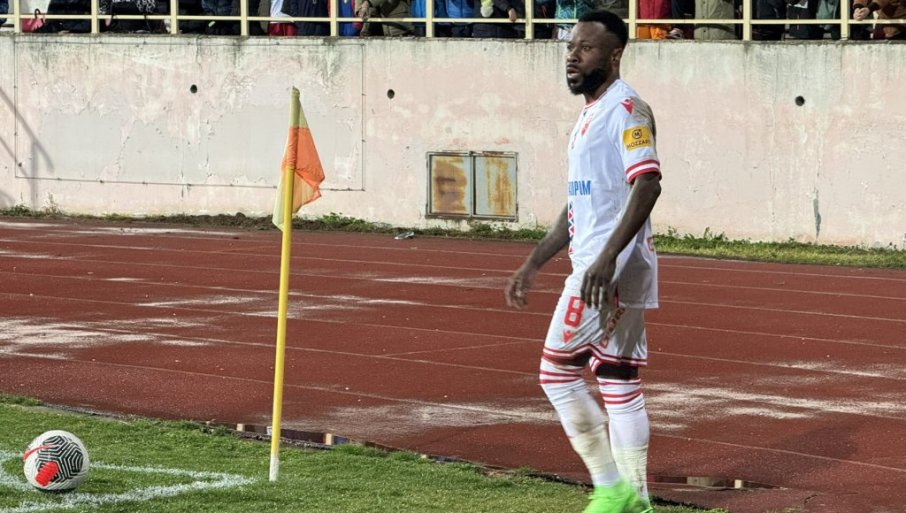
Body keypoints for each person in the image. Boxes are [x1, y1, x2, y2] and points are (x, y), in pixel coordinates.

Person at [504, 9, 661, 513]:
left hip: (603, 268)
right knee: (617, 377)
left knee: (557, 374)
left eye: (586, 48)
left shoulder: (627, 109)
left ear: (614, 56)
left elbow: (648, 183)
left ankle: (612, 488)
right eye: (571, 47)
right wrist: (535, 261)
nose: (573, 57)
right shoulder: (592, 113)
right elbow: (580, 203)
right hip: (609, 263)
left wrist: (605, 260)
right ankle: (637, 500)